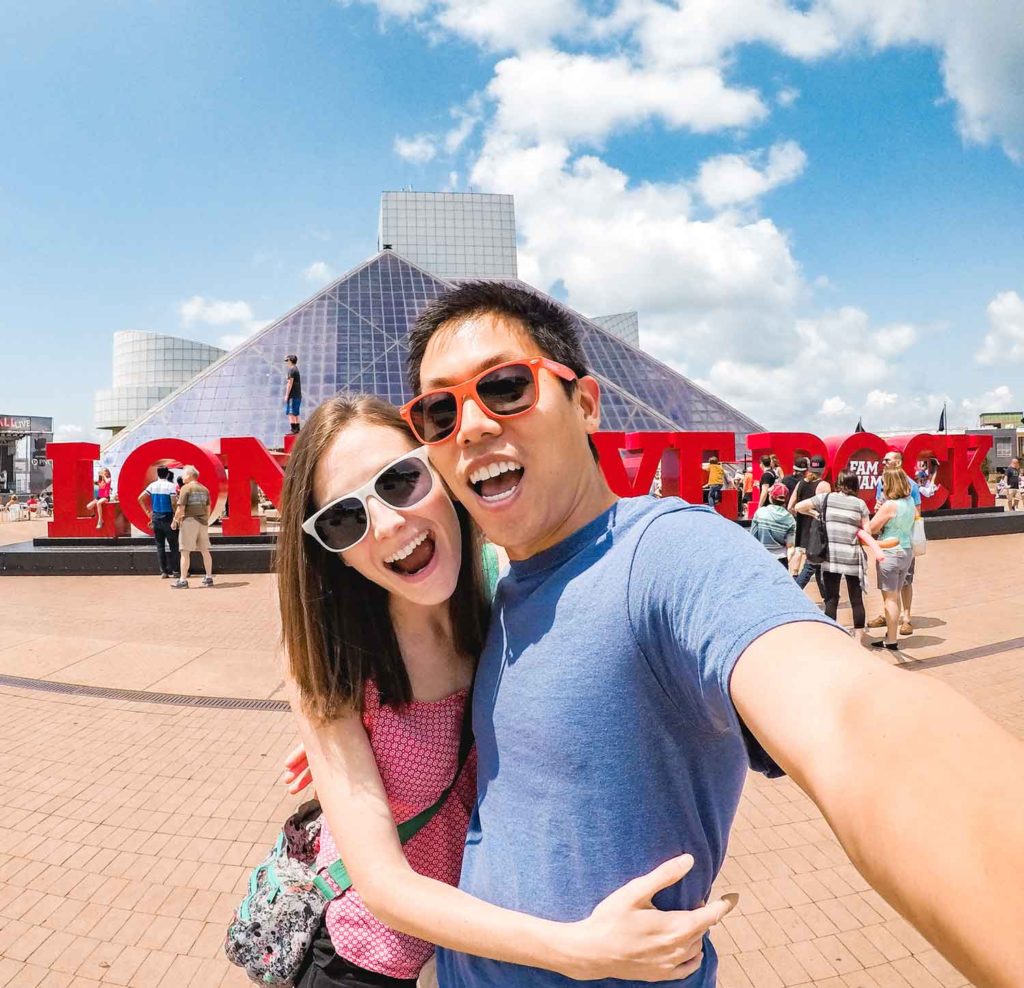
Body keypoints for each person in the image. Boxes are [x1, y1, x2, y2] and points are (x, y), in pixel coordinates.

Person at [397, 280, 1022, 987]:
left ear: (588, 404)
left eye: (506, 386)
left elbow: (858, 720)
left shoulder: (666, 555)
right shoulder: (503, 592)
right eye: (438, 410)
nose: (472, 425)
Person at [280, 394, 729, 988]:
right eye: (344, 518)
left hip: (466, 953)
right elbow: (384, 886)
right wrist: (577, 950)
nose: (388, 522)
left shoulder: (502, 601)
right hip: (364, 960)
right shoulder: (333, 660)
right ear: (327, 551)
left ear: (438, 468)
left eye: (400, 480)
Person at [794, 470, 870, 630]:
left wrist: (815, 514)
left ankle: (832, 631)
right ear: (855, 485)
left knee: (831, 598)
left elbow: (798, 507)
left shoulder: (825, 498)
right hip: (852, 557)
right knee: (856, 600)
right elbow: (867, 532)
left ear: (839, 483)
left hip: (831, 556)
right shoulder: (860, 504)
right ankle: (859, 638)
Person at [866, 450, 922, 635]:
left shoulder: (911, 485)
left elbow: (917, 514)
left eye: (887, 460)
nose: (883, 462)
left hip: (901, 542)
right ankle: (889, 616)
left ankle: (906, 617)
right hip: (890, 537)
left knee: (904, 581)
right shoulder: (881, 482)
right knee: (890, 586)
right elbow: (878, 507)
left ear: (898, 462)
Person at [788, 455, 830, 596]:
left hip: (801, 526)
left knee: (809, 560)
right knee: (813, 563)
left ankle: (825, 595)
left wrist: (800, 514)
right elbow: (825, 508)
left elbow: (790, 506)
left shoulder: (800, 483)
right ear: (823, 469)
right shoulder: (823, 485)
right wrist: (813, 514)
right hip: (816, 529)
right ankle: (795, 592)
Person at [171, 465, 213, 588]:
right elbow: (208, 508)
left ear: (189, 475)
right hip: (203, 522)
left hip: (189, 522)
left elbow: (181, 508)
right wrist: (205, 520)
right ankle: (209, 577)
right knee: (205, 551)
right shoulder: (204, 489)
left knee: (185, 552)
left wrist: (175, 520)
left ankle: (183, 580)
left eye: (184, 474)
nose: (183, 477)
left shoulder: (186, 488)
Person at [139, 466, 180, 578]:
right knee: (173, 545)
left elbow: (140, 498)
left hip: (156, 517)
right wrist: (176, 517)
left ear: (158, 474)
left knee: (160, 545)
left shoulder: (152, 485)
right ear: (167, 474)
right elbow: (173, 503)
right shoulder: (171, 486)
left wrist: (148, 512)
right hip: (168, 517)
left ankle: (163, 571)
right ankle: (176, 570)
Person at [749, 482, 795, 567]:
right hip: (781, 560)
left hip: (762, 557)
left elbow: (753, 538)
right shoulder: (790, 518)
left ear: (771, 497)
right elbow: (790, 546)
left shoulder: (760, 513)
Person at [285, 354, 303, 434]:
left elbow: (290, 383)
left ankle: (293, 429)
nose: (286, 363)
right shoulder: (296, 369)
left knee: (291, 412)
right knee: (296, 412)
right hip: (297, 395)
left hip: (292, 395)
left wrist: (287, 395)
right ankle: (297, 429)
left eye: (287, 361)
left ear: (290, 361)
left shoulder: (291, 370)